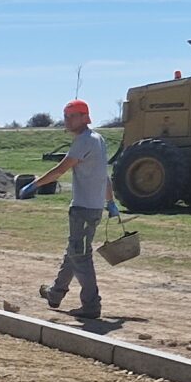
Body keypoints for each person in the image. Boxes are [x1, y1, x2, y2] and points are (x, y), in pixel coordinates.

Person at [31, 99, 120, 322]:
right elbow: (104, 175)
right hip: (94, 208)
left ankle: (91, 305)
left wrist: (34, 185)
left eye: (72, 116)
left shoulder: (83, 141)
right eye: (66, 116)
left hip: (82, 209)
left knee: (80, 255)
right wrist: (110, 202)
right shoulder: (98, 139)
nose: (67, 120)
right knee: (75, 250)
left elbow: (60, 170)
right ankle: (56, 293)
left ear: (84, 117)